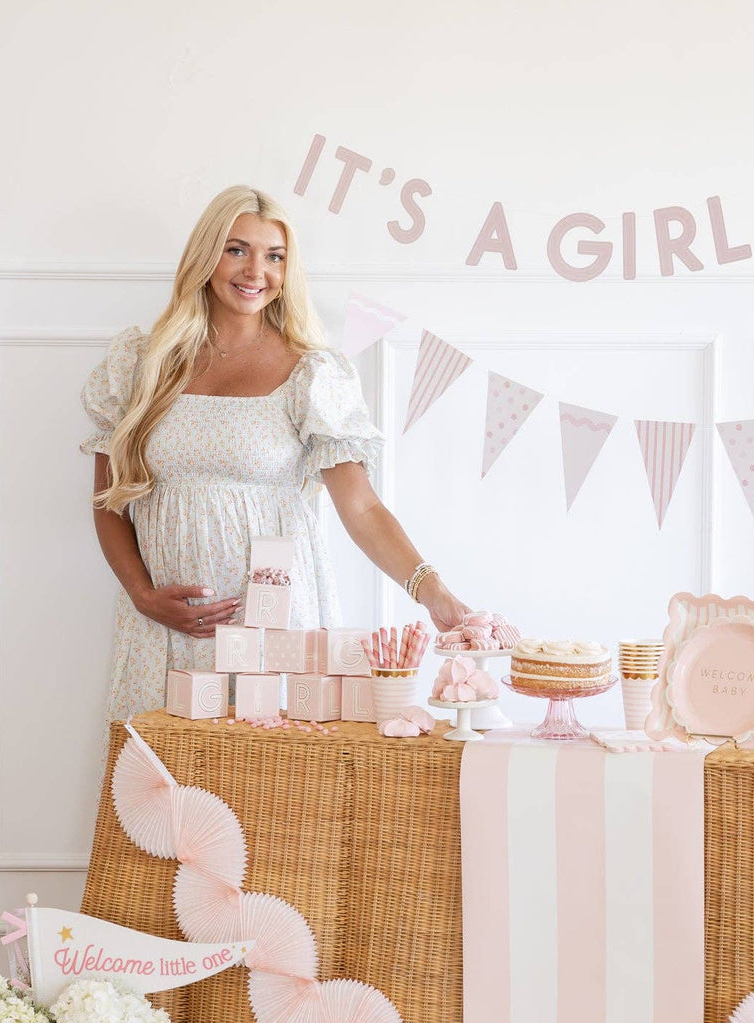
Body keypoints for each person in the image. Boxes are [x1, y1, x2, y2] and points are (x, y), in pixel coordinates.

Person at [81, 185, 470, 722]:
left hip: (274, 631)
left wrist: (435, 593)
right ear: (205, 255)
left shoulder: (310, 373)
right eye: (236, 249)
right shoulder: (143, 364)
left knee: (274, 792)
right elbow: (108, 500)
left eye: (275, 256)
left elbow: (361, 509)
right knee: (167, 791)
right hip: (163, 628)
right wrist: (144, 596)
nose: (255, 271)